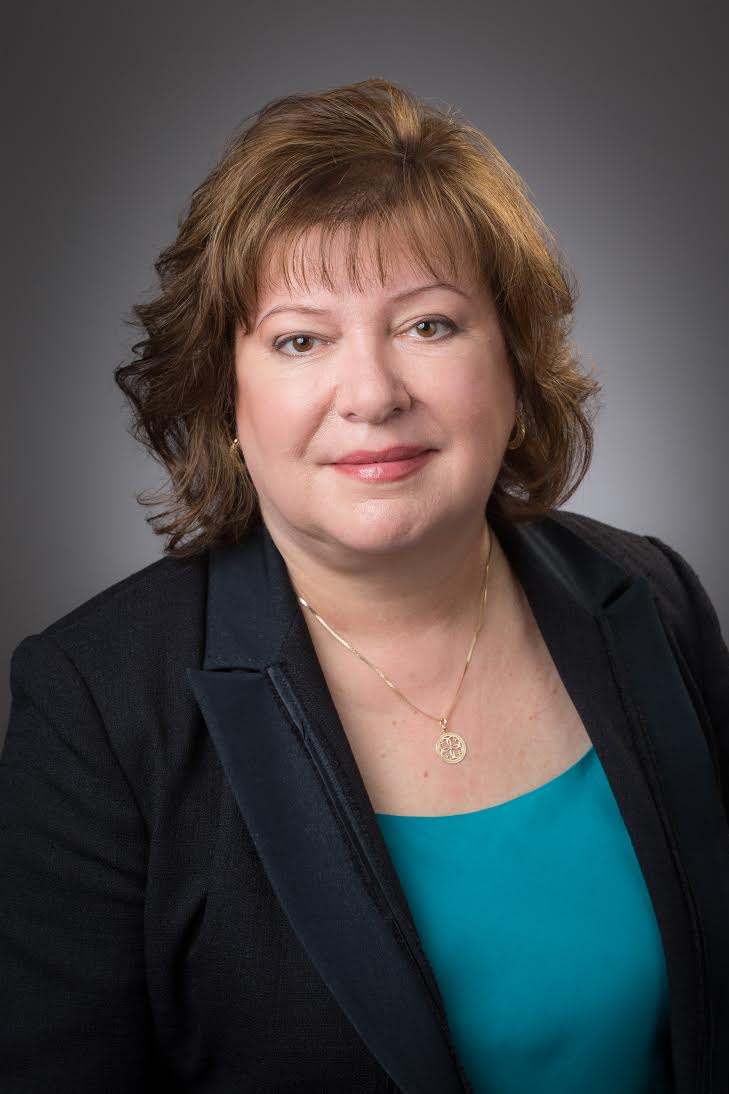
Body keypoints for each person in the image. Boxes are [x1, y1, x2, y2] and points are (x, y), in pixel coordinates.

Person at [1, 78, 728, 1094]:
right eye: (301, 338)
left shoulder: (653, 599)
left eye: (428, 325)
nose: (374, 393)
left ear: (514, 361)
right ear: (225, 390)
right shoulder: (95, 703)